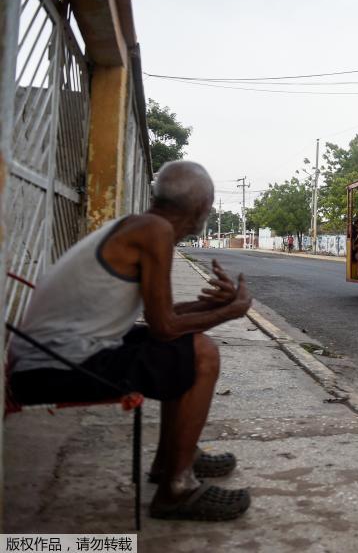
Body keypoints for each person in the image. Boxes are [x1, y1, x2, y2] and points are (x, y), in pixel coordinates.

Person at [9, 160, 253, 522]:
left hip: (55, 354)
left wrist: (210, 304)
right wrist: (231, 311)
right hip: (52, 365)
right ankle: (176, 488)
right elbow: (165, 327)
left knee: (188, 344)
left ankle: (172, 458)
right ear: (202, 209)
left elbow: (163, 313)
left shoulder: (142, 225)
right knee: (201, 353)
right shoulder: (154, 231)